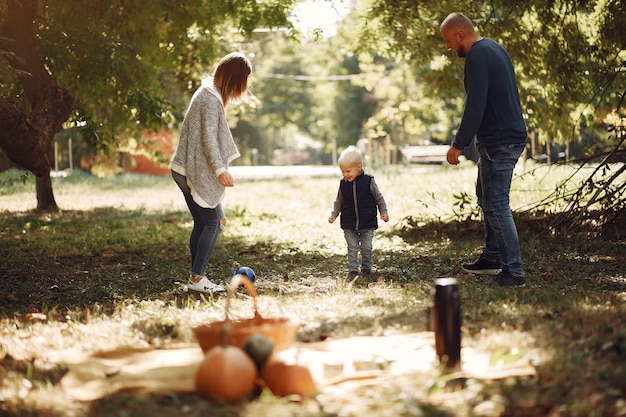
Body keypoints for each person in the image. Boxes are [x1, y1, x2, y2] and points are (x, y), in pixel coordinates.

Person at [440, 13, 527, 287]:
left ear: (461, 34)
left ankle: (513, 271)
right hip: (502, 138)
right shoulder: (494, 47)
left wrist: (458, 144)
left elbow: (475, 104)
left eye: (449, 40)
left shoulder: (478, 55)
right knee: (485, 196)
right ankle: (492, 258)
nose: (449, 47)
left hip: (500, 141)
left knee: (497, 204)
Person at [170, 52, 252, 293]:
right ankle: (197, 279)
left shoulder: (207, 93)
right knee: (213, 223)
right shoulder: (210, 99)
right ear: (233, 78)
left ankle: (196, 277)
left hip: (182, 170)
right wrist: (219, 170)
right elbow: (209, 140)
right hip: (190, 171)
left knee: (205, 222)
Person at [328, 146, 389, 281]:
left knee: (366, 247)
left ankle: (366, 269)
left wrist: (383, 212)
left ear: (359, 167)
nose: (345, 174)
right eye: (342, 171)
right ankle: (353, 270)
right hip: (349, 222)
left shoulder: (368, 181)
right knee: (352, 247)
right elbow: (338, 201)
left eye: (348, 171)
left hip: (367, 222)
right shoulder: (343, 184)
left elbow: (379, 198)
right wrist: (334, 214)